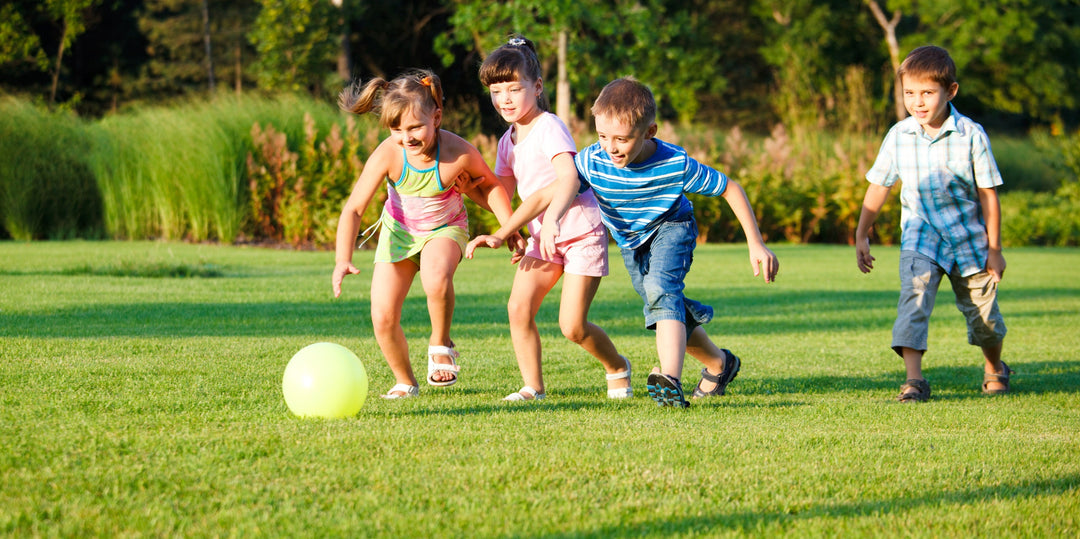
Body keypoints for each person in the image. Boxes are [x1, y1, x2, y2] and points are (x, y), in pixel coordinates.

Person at [511, 77, 778, 408]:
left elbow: (730, 188)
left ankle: (670, 380)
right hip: (631, 242)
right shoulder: (593, 160)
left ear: (649, 132)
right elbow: (548, 193)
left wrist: (756, 243)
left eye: (621, 139)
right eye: (603, 136)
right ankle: (719, 363)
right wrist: (509, 229)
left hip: (672, 226)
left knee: (661, 291)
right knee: (662, 304)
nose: (611, 147)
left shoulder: (674, 164)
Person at [332, 69, 519, 399]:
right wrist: (342, 259)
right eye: (396, 129)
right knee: (383, 316)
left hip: (445, 230)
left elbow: (491, 188)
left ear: (436, 116)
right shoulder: (390, 154)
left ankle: (440, 341)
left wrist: (509, 229)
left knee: (435, 276)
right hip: (399, 235)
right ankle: (405, 381)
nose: (407, 137)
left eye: (415, 127)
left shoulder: (457, 152)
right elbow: (353, 209)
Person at [464, 36, 631, 402]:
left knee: (572, 326)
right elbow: (501, 197)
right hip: (544, 237)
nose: (504, 99)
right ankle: (533, 387)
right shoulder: (507, 141)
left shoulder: (549, 126)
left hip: (579, 231)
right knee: (518, 307)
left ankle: (617, 366)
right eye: (496, 91)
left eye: (513, 88)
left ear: (536, 87)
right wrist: (466, 190)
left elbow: (568, 177)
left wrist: (551, 218)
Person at [855, 45, 1009, 403]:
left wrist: (995, 249)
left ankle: (994, 367)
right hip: (920, 237)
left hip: (969, 241)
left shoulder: (971, 134)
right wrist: (862, 233)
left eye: (927, 93)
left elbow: (988, 195)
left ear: (950, 91)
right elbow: (880, 185)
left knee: (983, 318)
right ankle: (914, 381)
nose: (918, 102)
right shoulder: (898, 135)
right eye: (910, 93)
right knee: (914, 300)